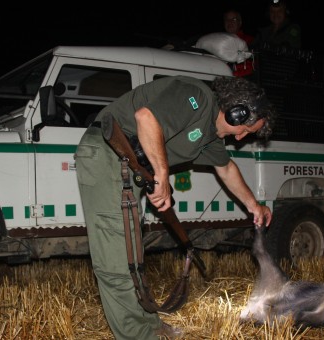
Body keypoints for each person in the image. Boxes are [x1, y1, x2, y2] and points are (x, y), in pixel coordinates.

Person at [75, 75, 276, 339]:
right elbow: (146, 117)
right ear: (236, 112)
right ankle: (138, 335)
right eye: (246, 130)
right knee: (116, 262)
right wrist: (162, 174)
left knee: (132, 257)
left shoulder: (209, 137)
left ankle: (149, 325)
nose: (240, 138)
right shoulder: (196, 95)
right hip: (107, 156)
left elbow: (226, 168)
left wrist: (254, 206)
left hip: (126, 170)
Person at [223, 9, 255, 77]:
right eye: (227, 19)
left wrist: (231, 74)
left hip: (241, 80)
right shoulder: (218, 41)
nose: (230, 22)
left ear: (240, 23)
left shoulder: (249, 41)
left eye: (234, 19)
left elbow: (252, 67)